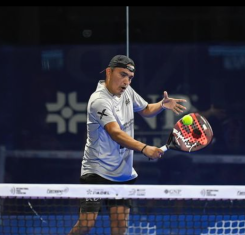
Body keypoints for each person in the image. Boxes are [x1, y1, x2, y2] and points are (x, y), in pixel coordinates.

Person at [68, 55, 187, 235]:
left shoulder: (127, 91)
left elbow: (146, 110)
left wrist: (162, 105)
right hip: (96, 172)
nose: (126, 81)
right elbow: (115, 133)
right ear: (109, 72)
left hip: (123, 175)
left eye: (130, 78)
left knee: (120, 229)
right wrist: (144, 148)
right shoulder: (99, 100)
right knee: (86, 224)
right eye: (122, 75)